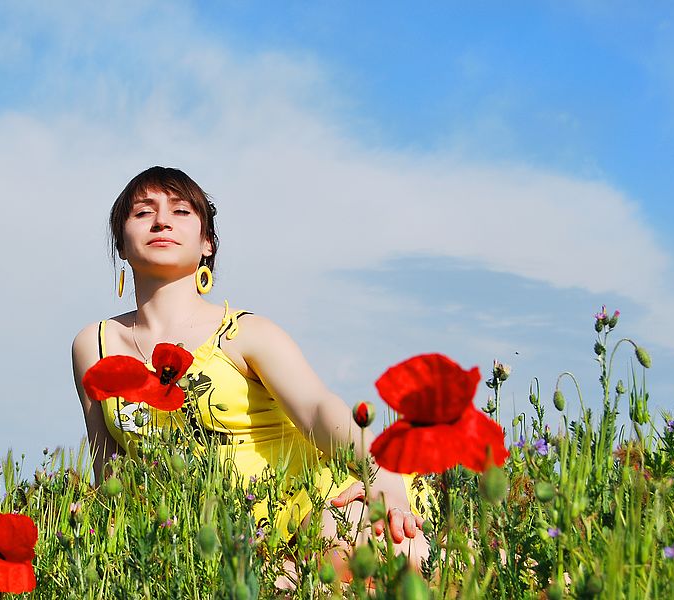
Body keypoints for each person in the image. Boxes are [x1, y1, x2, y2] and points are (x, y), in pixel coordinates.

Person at [71, 166, 429, 584]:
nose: (162, 221)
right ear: (121, 243)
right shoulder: (93, 344)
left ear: (207, 243)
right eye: (143, 212)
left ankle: (288, 575)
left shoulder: (246, 332)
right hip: (202, 538)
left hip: (314, 505)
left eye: (181, 211)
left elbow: (316, 410)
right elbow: (109, 467)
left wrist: (384, 480)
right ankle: (281, 577)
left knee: (392, 553)